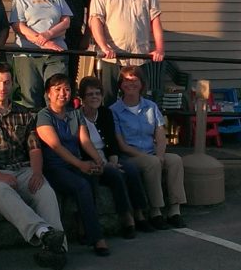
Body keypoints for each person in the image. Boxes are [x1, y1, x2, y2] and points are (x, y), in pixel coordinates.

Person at [0, 63, 68, 270]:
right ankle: (44, 233)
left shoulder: (24, 113)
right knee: (2, 191)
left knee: (45, 192)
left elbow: (34, 148)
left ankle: (58, 251)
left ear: (12, 83)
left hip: (23, 169)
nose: (2, 87)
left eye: (6, 82)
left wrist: (37, 172)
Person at [36, 74, 139, 257]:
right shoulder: (44, 115)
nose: (62, 93)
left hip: (75, 164)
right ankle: (97, 238)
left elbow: (85, 141)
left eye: (66, 89)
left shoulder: (75, 114)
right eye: (57, 89)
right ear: (48, 94)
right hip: (56, 167)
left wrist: (99, 162)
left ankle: (90, 227)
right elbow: (55, 146)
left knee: (94, 174)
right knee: (83, 184)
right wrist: (81, 164)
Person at [111, 65, 186, 230]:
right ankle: (156, 211)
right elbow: (121, 144)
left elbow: (160, 135)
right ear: (121, 85)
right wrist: (151, 158)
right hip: (131, 156)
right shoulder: (114, 110)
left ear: (142, 83)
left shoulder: (151, 106)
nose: (130, 83)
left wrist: (159, 155)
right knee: (151, 163)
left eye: (134, 79)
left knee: (175, 160)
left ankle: (175, 210)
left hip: (152, 152)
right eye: (126, 80)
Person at [78, 77, 154, 232]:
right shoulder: (76, 117)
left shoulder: (106, 113)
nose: (94, 97)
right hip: (91, 160)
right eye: (90, 94)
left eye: (98, 93)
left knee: (130, 169)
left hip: (108, 157)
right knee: (115, 174)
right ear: (82, 98)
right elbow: (81, 145)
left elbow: (112, 142)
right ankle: (127, 217)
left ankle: (139, 213)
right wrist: (104, 163)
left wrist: (113, 160)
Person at [89, 0, 164, 103]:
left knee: (138, 102)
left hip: (138, 58)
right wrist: (104, 47)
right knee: (108, 101)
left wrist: (160, 48)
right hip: (112, 59)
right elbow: (95, 21)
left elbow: (155, 20)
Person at [11, 0, 72, 109]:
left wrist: (48, 35)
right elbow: (18, 25)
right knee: (30, 98)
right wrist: (41, 41)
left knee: (56, 96)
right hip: (29, 53)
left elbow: (66, 21)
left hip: (55, 53)